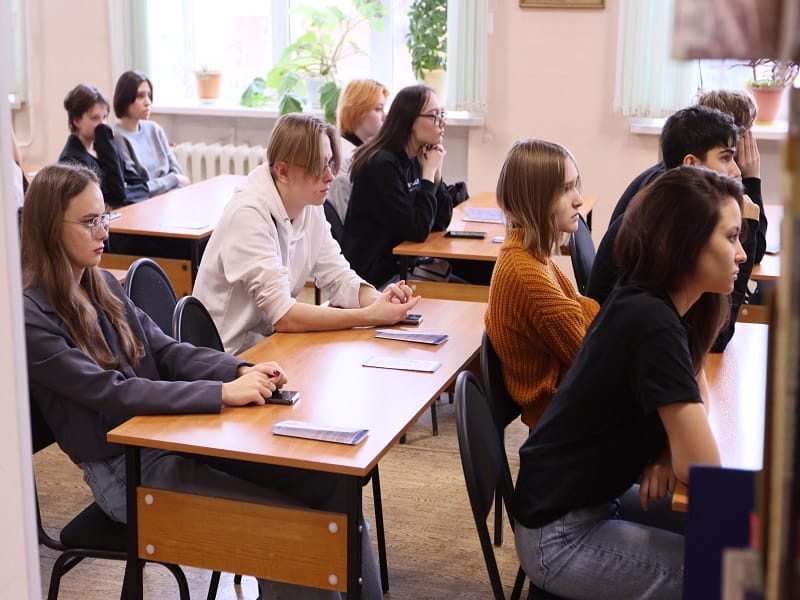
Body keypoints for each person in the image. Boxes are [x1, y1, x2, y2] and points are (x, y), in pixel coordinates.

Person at [22, 162, 382, 600]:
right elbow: (110, 393)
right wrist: (221, 394)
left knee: (334, 489)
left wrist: (237, 370)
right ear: (49, 229)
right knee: (290, 535)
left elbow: (166, 351)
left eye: (105, 217)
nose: (103, 233)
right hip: (124, 471)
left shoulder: (101, 285)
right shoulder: (31, 316)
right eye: (89, 222)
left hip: (172, 436)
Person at [514, 166, 745, 599]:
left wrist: (666, 449)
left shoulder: (662, 302)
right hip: (559, 535)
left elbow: (695, 394)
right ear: (687, 242)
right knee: (728, 573)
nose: (742, 254)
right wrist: (678, 447)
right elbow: (703, 469)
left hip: (596, 499)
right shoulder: (651, 322)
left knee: (737, 538)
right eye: (731, 238)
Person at [193, 113, 419, 354]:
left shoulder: (309, 205)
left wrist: (377, 300)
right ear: (282, 171)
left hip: (267, 343)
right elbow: (283, 315)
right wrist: (368, 316)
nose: (330, 176)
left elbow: (337, 275)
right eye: (318, 166)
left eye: (330, 163)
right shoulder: (248, 214)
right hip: (225, 355)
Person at [586, 105, 763, 352]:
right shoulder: (663, 228)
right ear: (690, 164)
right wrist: (749, 227)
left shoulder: (672, 207)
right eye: (725, 158)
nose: (736, 170)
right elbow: (715, 339)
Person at [485, 140, 599, 429]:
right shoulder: (528, 276)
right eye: (565, 189)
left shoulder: (530, 254)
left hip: (569, 408)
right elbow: (594, 359)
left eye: (575, 186)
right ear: (536, 198)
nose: (578, 200)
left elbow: (581, 310)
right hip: (565, 422)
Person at [343, 84, 453, 288]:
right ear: (410, 120)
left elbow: (441, 222)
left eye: (442, 114)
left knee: (477, 279)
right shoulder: (383, 164)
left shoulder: (416, 157)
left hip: (404, 267)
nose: (442, 122)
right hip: (376, 277)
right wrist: (428, 175)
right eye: (434, 116)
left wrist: (436, 176)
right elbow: (418, 230)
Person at [59, 83, 148, 208]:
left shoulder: (104, 146)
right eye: (95, 118)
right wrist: (118, 198)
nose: (102, 124)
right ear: (77, 121)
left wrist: (116, 200)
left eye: (105, 117)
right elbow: (115, 194)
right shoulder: (72, 159)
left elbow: (142, 187)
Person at [112, 70, 190, 197]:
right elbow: (138, 189)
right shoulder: (118, 137)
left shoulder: (155, 129)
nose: (148, 102)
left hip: (173, 196)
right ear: (125, 98)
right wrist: (173, 180)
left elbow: (178, 172)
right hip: (147, 202)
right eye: (140, 96)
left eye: (149, 95)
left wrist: (170, 181)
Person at [326, 78, 389, 226]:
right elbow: (348, 223)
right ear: (358, 111)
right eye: (378, 109)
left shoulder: (366, 153)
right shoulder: (343, 160)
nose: (385, 117)